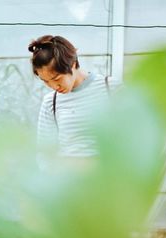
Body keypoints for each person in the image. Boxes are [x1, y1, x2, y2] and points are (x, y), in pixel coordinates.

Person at [28, 35, 115, 172]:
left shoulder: (111, 88)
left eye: (57, 78)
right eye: (46, 81)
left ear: (73, 64)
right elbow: (45, 154)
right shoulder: (51, 102)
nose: (53, 86)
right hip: (69, 186)